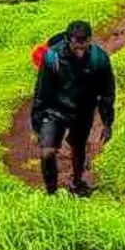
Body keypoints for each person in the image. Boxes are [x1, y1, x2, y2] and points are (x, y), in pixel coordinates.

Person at [32, 20, 116, 196]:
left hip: (83, 110)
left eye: (84, 43)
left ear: (90, 40)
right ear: (68, 40)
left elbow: (107, 93)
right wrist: (37, 122)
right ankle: (51, 193)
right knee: (47, 152)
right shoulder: (52, 57)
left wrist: (107, 122)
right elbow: (42, 90)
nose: (80, 49)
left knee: (78, 149)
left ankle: (77, 181)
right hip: (54, 110)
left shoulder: (99, 59)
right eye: (77, 44)